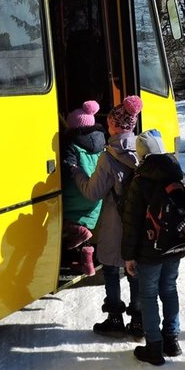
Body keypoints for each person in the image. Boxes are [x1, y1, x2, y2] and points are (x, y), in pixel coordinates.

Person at [67, 95, 144, 339]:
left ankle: (114, 320)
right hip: (139, 224)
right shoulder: (143, 149)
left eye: (110, 122)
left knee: (111, 269)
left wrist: (76, 170)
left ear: (115, 125)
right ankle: (139, 321)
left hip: (115, 224)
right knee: (134, 272)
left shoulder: (109, 156)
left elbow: (92, 193)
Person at [120, 129, 185, 366]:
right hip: (175, 245)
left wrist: (128, 256)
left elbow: (131, 222)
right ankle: (171, 340)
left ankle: (154, 346)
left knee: (149, 295)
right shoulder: (181, 175)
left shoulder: (140, 180)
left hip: (148, 250)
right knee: (170, 289)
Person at [61, 100, 106, 276]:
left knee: (63, 219)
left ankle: (76, 231)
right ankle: (87, 265)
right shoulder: (101, 143)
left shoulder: (71, 145)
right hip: (95, 195)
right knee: (86, 228)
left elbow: (68, 168)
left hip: (77, 192)